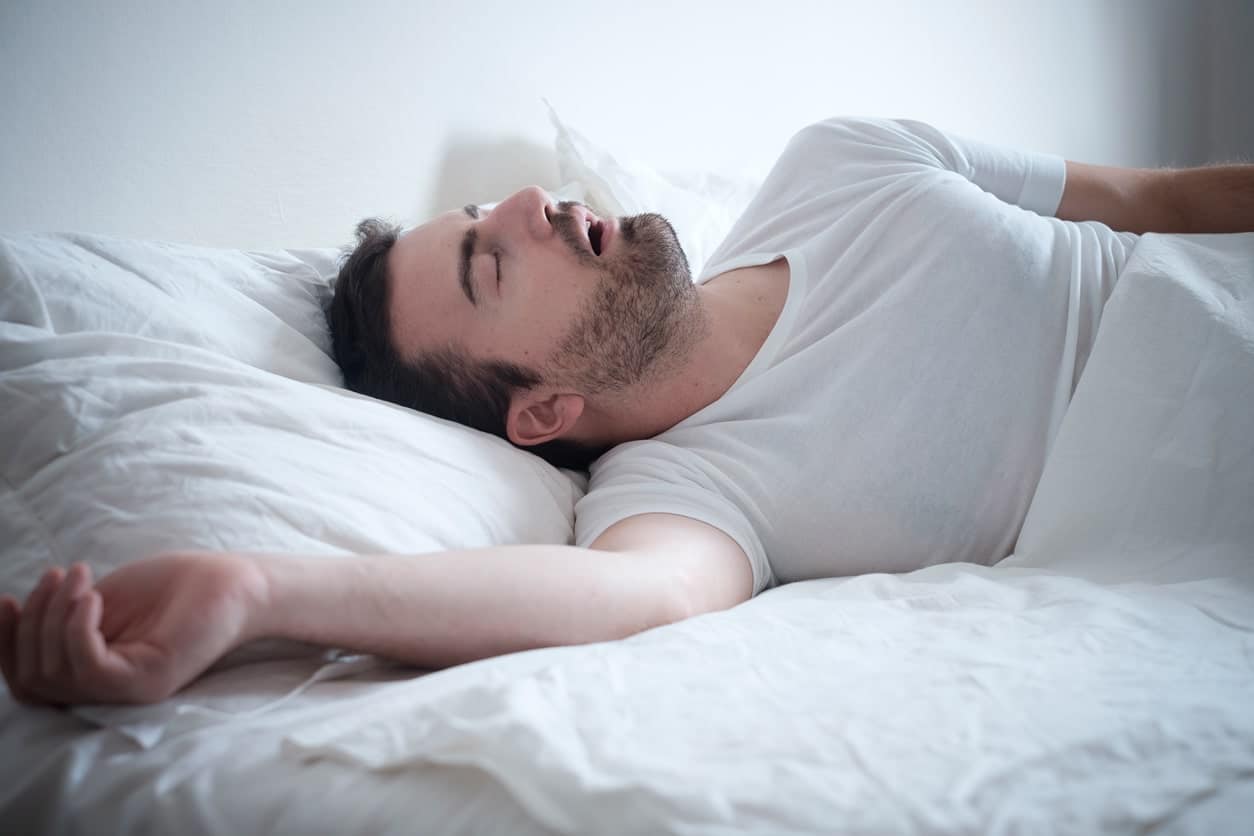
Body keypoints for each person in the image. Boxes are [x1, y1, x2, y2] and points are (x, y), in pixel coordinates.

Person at [3, 117, 1251, 707]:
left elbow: (1159, 193)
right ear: (543, 410)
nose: (536, 202)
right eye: (493, 262)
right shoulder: (685, 497)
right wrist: (258, 593)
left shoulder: (847, 161)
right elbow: (622, 602)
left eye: (497, 206)